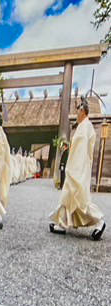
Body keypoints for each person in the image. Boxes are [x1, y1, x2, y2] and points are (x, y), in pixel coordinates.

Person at [50, 101, 106, 239]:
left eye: (78, 111)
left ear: (83, 111)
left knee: (80, 201)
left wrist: (74, 171)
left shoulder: (85, 127)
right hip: (76, 168)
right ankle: (62, 224)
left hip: (77, 169)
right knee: (69, 197)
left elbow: (81, 153)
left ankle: (99, 222)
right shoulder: (84, 127)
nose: (76, 114)